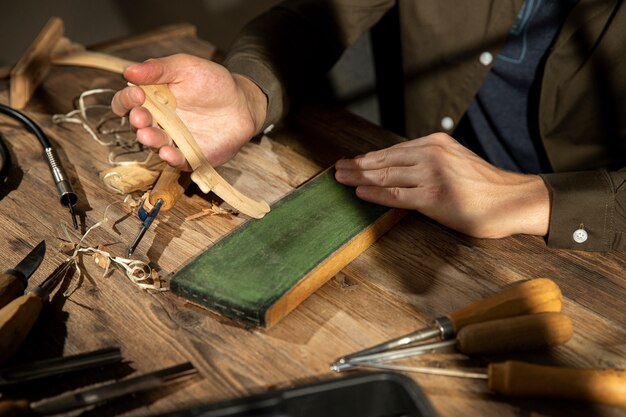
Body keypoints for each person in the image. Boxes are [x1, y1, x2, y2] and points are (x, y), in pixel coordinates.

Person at [112, 0, 626, 251]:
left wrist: (532, 198)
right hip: (408, 192)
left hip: (576, 233)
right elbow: (316, 14)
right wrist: (250, 91)